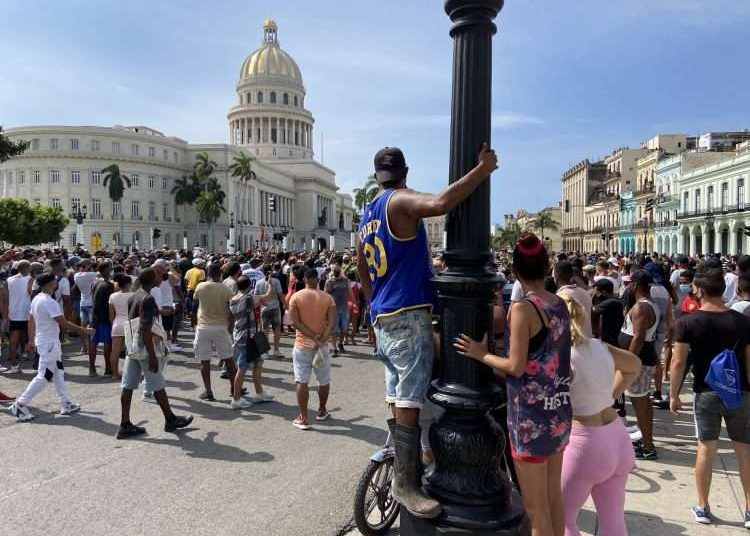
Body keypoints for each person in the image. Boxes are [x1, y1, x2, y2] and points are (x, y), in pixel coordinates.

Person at [357, 144, 497, 519]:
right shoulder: (400, 200)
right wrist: (482, 171)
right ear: (405, 172)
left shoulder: (367, 213)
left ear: (376, 176)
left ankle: (408, 462)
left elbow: (360, 266)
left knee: (396, 392)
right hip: (407, 314)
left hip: (384, 315)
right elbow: (438, 204)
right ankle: (406, 482)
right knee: (409, 399)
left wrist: (373, 304)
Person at [455, 233, 572, 536]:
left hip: (529, 417)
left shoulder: (522, 309)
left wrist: (481, 354)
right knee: (554, 498)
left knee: (535, 510)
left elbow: (515, 366)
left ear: (515, 271)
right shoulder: (559, 304)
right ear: (547, 267)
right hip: (558, 410)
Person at [670, 268, 750, 528]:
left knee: (706, 448)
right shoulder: (742, 321)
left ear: (700, 291)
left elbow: (679, 361)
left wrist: (673, 394)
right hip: (739, 392)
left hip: (706, 390)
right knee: (744, 450)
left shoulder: (688, 322)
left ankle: (703, 506)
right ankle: (749, 510)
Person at [559, 295, 640, 536]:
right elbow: (633, 366)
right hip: (617, 437)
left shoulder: (561, 355)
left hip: (584, 444)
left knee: (563, 521)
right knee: (614, 521)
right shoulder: (600, 346)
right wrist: (609, 395)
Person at [116, 268, 193, 439]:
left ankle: (125, 423)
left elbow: (133, 324)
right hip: (144, 347)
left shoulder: (134, 296)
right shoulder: (148, 298)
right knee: (157, 384)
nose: (161, 277)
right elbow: (144, 327)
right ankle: (170, 419)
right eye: (158, 275)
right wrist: (152, 355)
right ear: (152, 279)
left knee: (127, 385)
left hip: (133, 347)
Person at [8, 274, 94, 421]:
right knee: (45, 375)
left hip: (46, 341)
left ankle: (66, 402)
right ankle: (20, 404)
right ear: (50, 283)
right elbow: (63, 322)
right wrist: (84, 330)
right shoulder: (49, 301)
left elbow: (31, 321)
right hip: (49, 343)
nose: (56, 283)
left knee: (58, 371)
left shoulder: (37, 299)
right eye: (54, 281)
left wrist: (31, 339)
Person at [617, 270, 659, 460]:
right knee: (641, 400)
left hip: (639, 362)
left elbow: (639, 337)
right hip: (641, 360)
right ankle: (645, 441)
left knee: (640, 402)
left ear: (634, 285)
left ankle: (648, 446)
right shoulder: (648, 305)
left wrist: (629, 362)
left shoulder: (642, 308)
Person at [288, 268, 336, 430]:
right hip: (321, 345)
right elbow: (331, 323)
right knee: (324, 379)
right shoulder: (327, 298)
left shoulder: (296, 297)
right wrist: (321, 338)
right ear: (318, 279)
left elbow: (295, 322)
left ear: (304, 279)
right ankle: (322, 410)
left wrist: (311, 335)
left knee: (301, 380)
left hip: (302, 344)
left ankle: (303, 417)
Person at [193, 262, 238, 402]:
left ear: (207, 273)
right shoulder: (225, 289)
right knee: (229, 360)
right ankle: (234, 389)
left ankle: (208, 391)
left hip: (203, 327)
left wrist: (193, 321)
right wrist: (231, 325)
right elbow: (231, 309)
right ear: (219, 274)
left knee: (204, 361)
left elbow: (195, 303)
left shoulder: (201, 286)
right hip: (220, 326)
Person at [228, 275, 274, 409]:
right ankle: (236, 399)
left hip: (242, 334)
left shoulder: (233, 298)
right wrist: (270, 283)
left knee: (258, 362)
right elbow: (268, 296)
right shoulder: (248, 298)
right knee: (242, 368)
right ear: (249, 286)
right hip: (247, 337)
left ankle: (260, 393)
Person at [5, 260, 34, 374]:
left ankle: (13, 364)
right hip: (26, 312)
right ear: (27, 268)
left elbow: (7, 295)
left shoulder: (9, 279)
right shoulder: (30, 279)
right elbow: (30, 293)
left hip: (13, 312)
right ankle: (25, 355)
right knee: (27, 335)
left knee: (13, 339)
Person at [555, 260, 593, 337]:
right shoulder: (584, 293)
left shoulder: (559, 297)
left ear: (556, 276)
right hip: (588, 342)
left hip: (572, 344)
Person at [253, 266, 285, 357]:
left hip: (264, 309)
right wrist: (286, 305)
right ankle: (276, 349)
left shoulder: (259, 283)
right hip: (275, 308)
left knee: (265, 331)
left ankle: (265, 352)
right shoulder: (276, 281)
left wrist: (260, 305)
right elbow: (280, 295)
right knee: (277, 329)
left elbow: (256, 297)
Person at [89, 261, 114, 377]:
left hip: (94, 317)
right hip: (104, 317)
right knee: (107, 343)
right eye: (110, 268)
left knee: (93, 343)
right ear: (106, 270)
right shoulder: (109, 285)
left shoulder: (94, 283)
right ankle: (108, 369)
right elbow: (110, 304)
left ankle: (92, 368)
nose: (111, 269)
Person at [108, 273, 134, 380]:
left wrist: (113, 324)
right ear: (128, 284)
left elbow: (111, 315)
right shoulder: (134, 295)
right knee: (132, 351)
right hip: (130, 324)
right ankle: (132, 374)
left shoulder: (113, 296)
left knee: (115, 351)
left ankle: (114, 374)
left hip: (117, 324)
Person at [324, 263, 353, 355]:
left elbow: (350, 292)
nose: (336, 272)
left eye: (338, 271)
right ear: (333, 272)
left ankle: (340, 344)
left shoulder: (346, 281)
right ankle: (334, 347)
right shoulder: (329, 281)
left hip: (344, 307)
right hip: (334, 309)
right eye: (335, 271)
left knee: (344, 328)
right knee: (334, 329)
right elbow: (325, 294)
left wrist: (354, 303)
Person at [74, 259, 98, 353]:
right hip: (91, 304)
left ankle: (84, 347)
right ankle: (91, 347)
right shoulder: (91, 275)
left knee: (83, 327)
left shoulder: (76, 275)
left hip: (83, 303)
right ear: (87, 266)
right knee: (91, 328)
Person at [184, 258, 205, 329]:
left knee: (192, 308)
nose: (202, 265)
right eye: (201, 263)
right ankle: (197, 324)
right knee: (198, 308)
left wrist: (187, 288)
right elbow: (201, 282)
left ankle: (192, 324)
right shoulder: (201, 271)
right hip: (198, 291)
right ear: (198, 264)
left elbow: (185, 280)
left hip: (190, 291)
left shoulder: (189, 271)